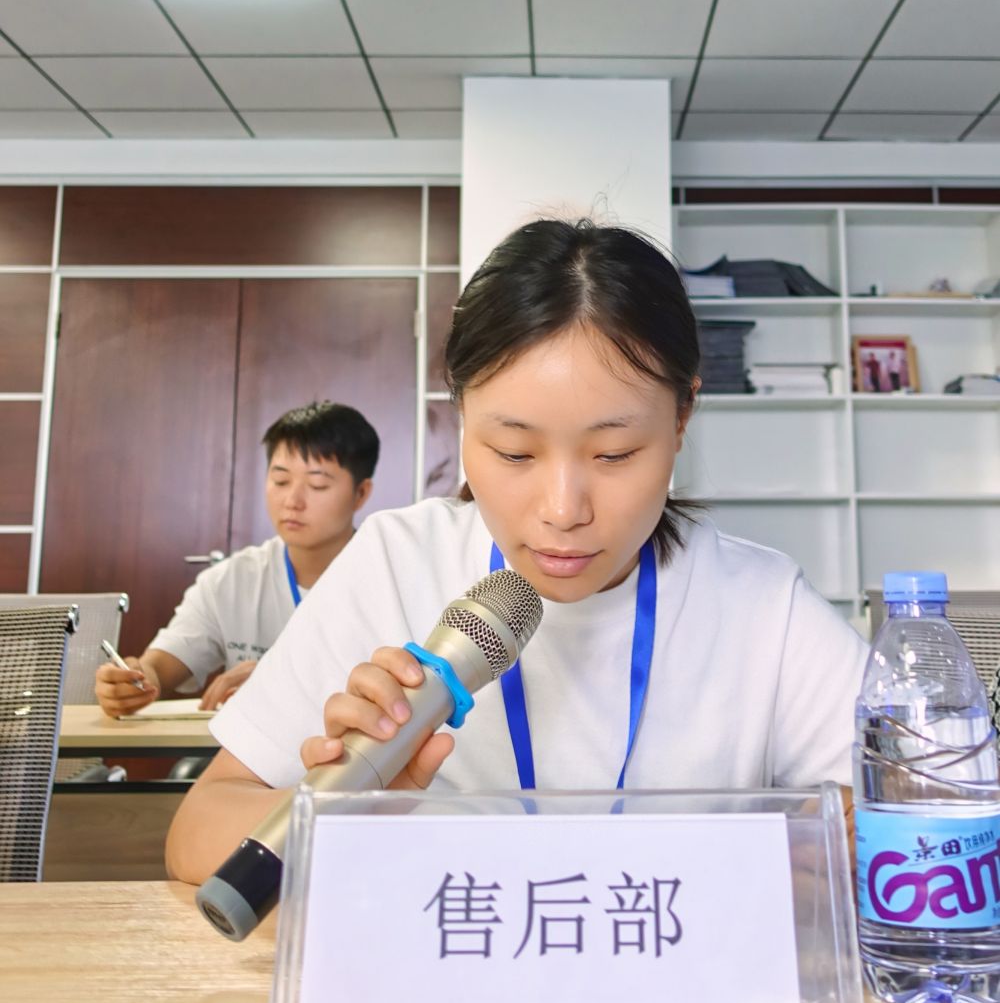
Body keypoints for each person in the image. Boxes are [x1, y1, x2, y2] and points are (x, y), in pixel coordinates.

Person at [166, 220, 868, 886]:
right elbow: (197, 830)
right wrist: (354, 820)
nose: (563, 510)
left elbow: (905, 812)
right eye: (513, 452)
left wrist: (817, 838)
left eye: (614, 453)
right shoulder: (396, 564)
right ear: (462, 418)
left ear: (682, 416)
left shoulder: (761, 604)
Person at [96, 400, 379, 718]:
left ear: (361, 494)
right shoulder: (230, 581)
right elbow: (161, 667)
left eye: (317, 485)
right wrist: (134, 680)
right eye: (281, 481)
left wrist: (280, 681)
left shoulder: (389, 579)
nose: (292, 501)